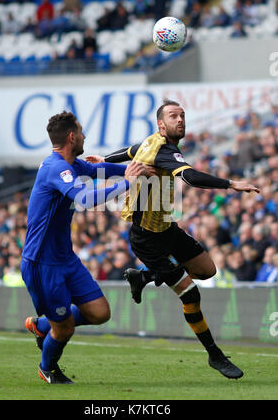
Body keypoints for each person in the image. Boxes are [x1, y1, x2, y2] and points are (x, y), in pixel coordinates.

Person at [85, 99, 260, 380]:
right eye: (173, 116)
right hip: (147, 238)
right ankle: (215, 356)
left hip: (167, 228)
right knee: (190, 294)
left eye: (182, 115)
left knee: (208, 270)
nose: (180, 120)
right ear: (160, 124)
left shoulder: (152, 143)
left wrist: (106, 159)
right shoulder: (164, 149)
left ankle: (142, 278)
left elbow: (132, 150)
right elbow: (189, 177)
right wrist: (230, 184)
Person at [21, 111, 150, 384]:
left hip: (65, 259)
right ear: (71, 136)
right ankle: (48, 368)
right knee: (65, 328)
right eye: (81, 132)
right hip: (42, 264)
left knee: (100, 312)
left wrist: (138, 168)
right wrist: (128, 183)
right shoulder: (55, 168)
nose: (84, 136)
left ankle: (42, 326)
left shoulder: (73, 165)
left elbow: (99, 170)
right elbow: (85, 198)